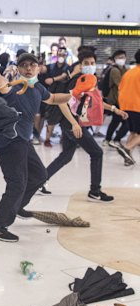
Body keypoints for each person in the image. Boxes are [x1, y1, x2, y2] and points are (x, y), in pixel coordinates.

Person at [0, 53, 72, 242]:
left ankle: (16, 207)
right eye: (24, 65)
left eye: (32, 65)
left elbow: (54, 98)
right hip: (8, 141)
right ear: (18, 69)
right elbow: (2, 84)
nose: (29, 68)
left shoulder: (38, 88)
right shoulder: (14, 86)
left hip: (23, 140)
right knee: (17, 182)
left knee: (40, 175)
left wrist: (74, 95)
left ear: (39, 68)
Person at [44, 50, 128, 201]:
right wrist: (75, 124)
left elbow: (96, 101)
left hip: (70, 124)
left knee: (66, 155)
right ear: (80, 65)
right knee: (97, 153)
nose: (90, 66)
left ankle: (39, 181)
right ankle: (95, 191)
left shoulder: (89, 80)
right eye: (86, 63)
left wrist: (115, 109)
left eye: (92, 63)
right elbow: (62, 102)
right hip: (73, 124)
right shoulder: (79, 80)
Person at [116, 49, 140, 167]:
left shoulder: (129, 72)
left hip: (125, 106)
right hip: (137, 106)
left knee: (134, 132)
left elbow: (120, 88)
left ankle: (127, 157)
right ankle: (127, 148)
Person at [104, 50, 129, 147]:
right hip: (116, 99)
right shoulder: (115, 70)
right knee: (123, 121)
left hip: (122, 99)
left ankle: (109, 139)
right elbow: (120, 85)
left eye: (123, 57)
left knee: (117, 120)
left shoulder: (124, 69)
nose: (121, 59)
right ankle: (113, 139)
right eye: (119, 57)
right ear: (115, 59)